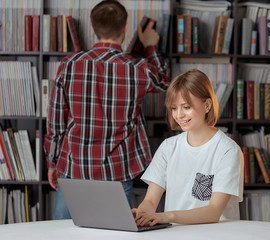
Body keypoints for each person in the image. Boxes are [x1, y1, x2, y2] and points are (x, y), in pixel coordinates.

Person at [43, 0, 170, 220]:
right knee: (115, 232)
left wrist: (53, 163)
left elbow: (56, 122)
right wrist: (149, 45)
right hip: (117, 170)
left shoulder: (69, 65)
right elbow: (166, 82)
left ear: (92, 28)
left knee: (60, 234)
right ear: (124, 28)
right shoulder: (138, 69)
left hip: (74, 167)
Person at [132, 69, 244, 226]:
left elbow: (214, 211)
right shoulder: (168, 147)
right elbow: (150, 200)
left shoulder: (228, 150)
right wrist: (142, 213)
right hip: (176, 234)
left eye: (186, 107)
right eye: (174, 108)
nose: (179, 115)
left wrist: (167, 216)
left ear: (207, 105)